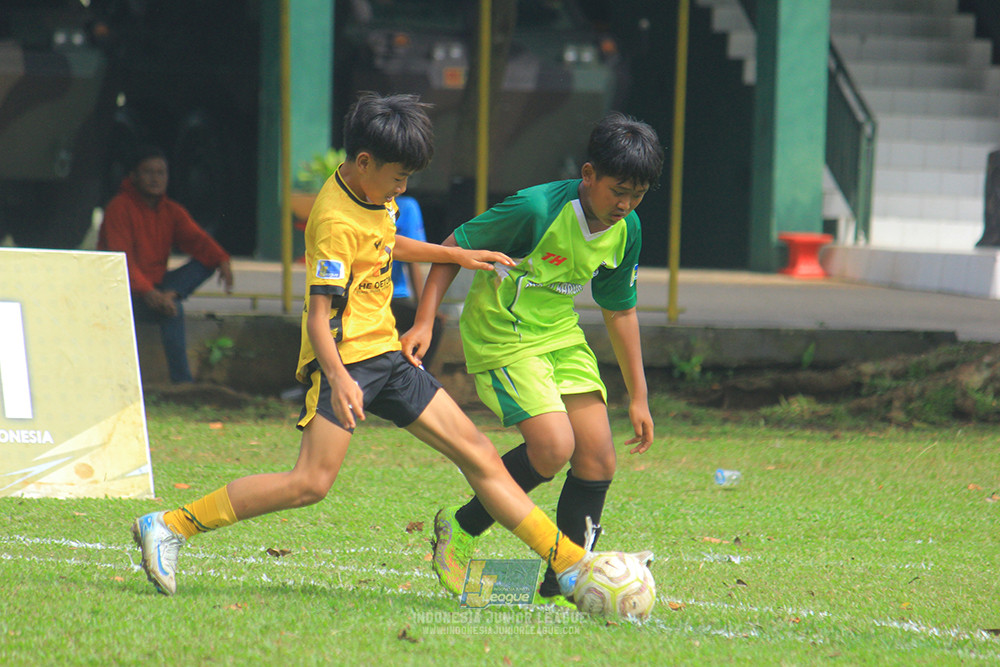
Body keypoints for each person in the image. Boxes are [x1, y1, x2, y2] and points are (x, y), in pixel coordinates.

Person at [130, 93, 625, 602]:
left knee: (480, 457)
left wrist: (456, 253)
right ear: (364, 161)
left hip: (388, 356)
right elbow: (319, 319)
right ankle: (171, 525)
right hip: (346, 361)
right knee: (310, 483)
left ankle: (568, 563)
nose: (402, 189)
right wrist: (341, 378)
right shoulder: (333, 225)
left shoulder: (373, 192)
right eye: (398, 178)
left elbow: (385, 242)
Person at [401, 112, 664, 606]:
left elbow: (620, 310)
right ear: (588, 175)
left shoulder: (626, 228)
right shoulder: (537, 209)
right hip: (502, 333)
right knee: (552, 447)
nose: (626, 204)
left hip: (558, 334)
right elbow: (451, 249)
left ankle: (562, 580)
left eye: (639, 194)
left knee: (598, 456)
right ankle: (460, 527)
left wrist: (640, 397)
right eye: (618, 191)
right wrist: (424, 322)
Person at [98, 146, 233, 383]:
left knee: (206, 263)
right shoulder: (119, 208)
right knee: (173, 311)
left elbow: (198, 241)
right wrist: (148, 292)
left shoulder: (170, 210)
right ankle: (182, 384)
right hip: (124, 291)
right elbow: (120, 262)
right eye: (148, 172)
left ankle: (171, 295)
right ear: (133, 176)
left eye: (161, 173)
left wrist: (223, 259)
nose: (155, 178)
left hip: (158, 285)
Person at [390, 195, 443, 367]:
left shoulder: (406, 207)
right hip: (363, 297)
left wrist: (424, 309)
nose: (401, 187)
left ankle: (418, 370)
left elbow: (412, 259)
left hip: (395, 296)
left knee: (433, 324)